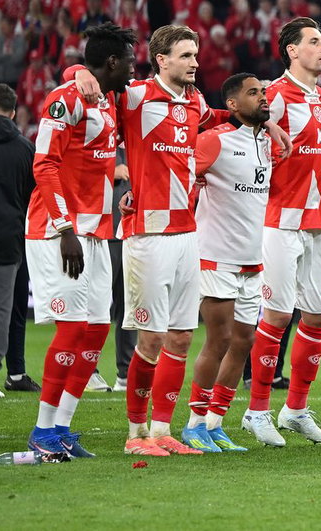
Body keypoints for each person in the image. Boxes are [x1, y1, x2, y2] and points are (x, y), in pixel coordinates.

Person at [25, 25, 135, 460]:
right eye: (128, 60)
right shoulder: (66, 99)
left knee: (95, 330)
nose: (133, 67)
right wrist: (64, 228)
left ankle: (63, 428)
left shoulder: (109, 99)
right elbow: (44, 164)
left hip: (96, 230)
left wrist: (76, 69)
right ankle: (42, 430)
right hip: (59, 232)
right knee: (72, 329)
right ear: (111, 62)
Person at [118, 25, 216, 456]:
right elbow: (92, 100)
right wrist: (77, 69)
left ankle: (162, 431)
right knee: (151, 338)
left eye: (195, 55)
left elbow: (229, 116)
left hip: (186, 233)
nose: (195, 62)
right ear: (162, 60)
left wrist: (265, 115)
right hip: (148, 235)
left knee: (179, 337)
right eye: (186, 55)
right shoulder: (136, 95)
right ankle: (135, 435)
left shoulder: (195, 102)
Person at [243, 17, 321, 446]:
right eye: (315, 42)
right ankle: (256, 411)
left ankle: (295, 408)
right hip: (279, 221)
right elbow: (237, 122)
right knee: (278, 316)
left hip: (318, 223)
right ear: (292, 51)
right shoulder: (274, 95)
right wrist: (263, 122)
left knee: (317, 315)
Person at [184, 73, 270, 452]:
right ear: (233, 104)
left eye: (263, 91)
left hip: (254, 259)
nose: (263, 97)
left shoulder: (268, 141)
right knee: (217, 339)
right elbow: (180, 176)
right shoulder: (214, 140)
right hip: (216, 256)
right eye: (254, 93)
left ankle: (216, 423)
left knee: (243, 341)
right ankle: (194, 424)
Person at [0, 84, 33, 401]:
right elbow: (31, 196)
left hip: (11, 238)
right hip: (11, 239)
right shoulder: (24, 147)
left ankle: (14, 373)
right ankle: (12, 371)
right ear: (12, 110)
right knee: (7, 309)